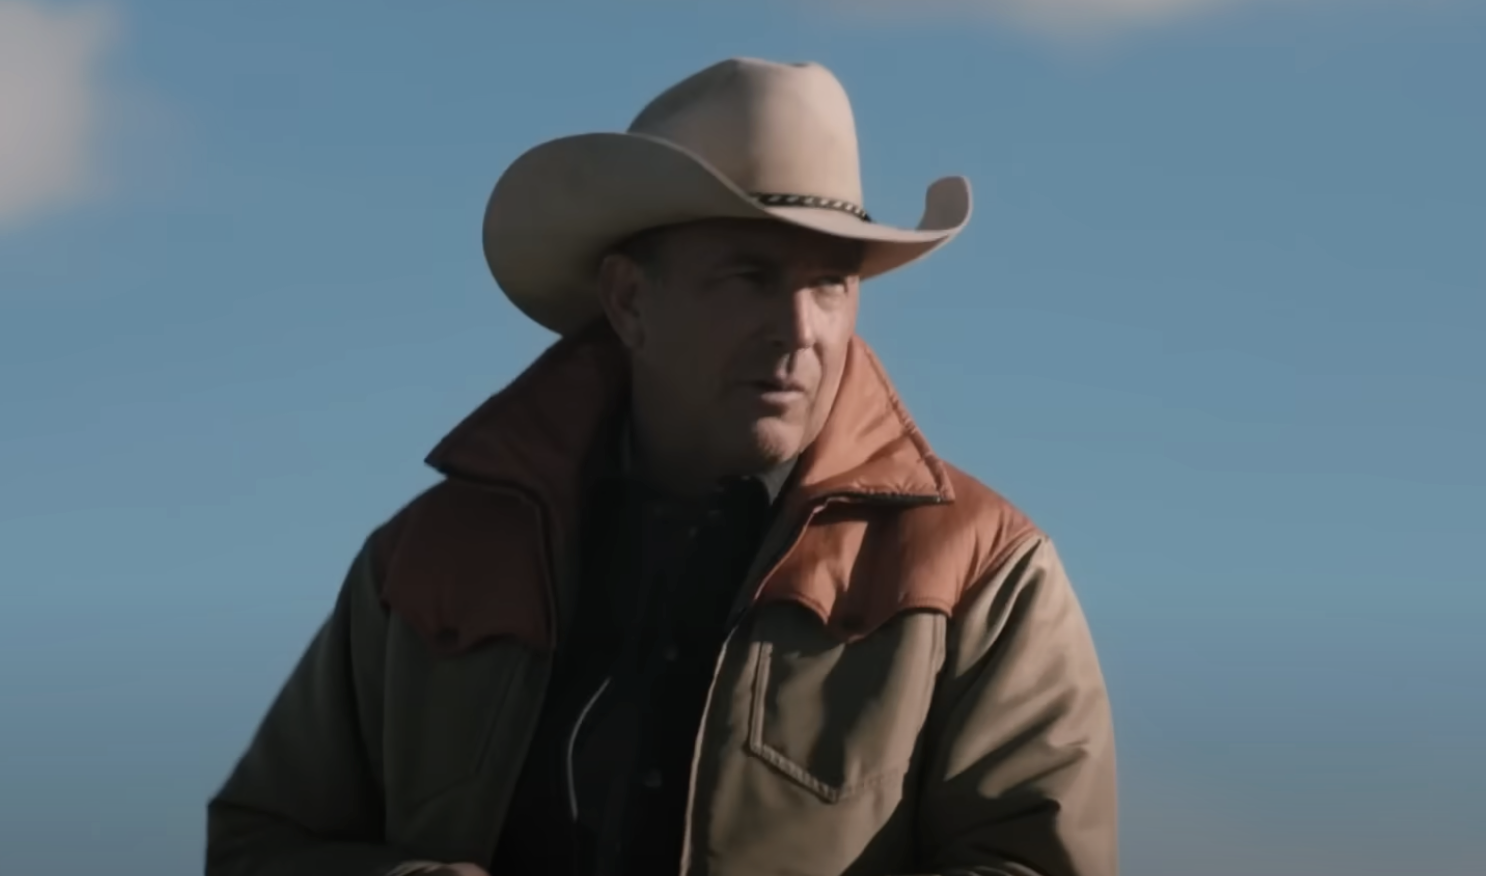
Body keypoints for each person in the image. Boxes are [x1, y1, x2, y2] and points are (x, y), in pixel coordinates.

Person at [205, 57, 1118, 876]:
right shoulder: (423, 564)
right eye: (750, 277)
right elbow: (259, 847)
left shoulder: (982, 571)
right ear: (631, 302)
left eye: (832, 285)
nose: (801, 331)